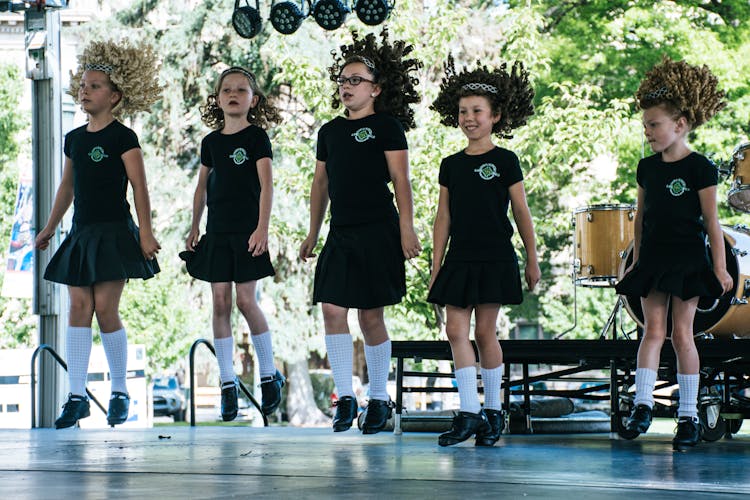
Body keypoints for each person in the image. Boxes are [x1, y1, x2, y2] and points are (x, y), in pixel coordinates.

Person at [299, 29, 422, 434]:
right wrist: (313, 233)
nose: (347, 87)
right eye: (343, 80)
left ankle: (380, 400)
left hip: (379, 231)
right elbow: (320, 185)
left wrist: (408, 229)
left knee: (371, 316)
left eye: (356, 81)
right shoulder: (329, 132)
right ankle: (344, 397)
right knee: (332, 308)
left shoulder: (387, 127)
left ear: (375, 89)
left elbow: (401, 181)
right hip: (341, 232)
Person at [34, 39, 162, 429]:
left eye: (94, 86)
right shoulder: (74, 139)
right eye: (83, 86)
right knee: (77, 308)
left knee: (106, 309)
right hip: (82, 233)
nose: (85, 91)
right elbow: (67, 188)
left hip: (114, 234)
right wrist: (50, 227)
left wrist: (145, 233)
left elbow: (139, 187)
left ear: (115, 96)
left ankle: (120, 390)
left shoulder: (124, 138)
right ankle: (76, 396)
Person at [616, 56, 732, 451]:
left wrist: (719, 266)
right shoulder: (647, 168)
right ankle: (643, 405)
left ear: (679, 125)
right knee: (653, 330)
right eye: (645, 125)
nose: (647, 132)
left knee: (683, 334)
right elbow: (640, 219)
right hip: (654, 259)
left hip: (687, 260)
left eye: (654, 125)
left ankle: (688, 417)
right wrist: (635, 262)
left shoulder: (701, 167)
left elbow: (712, 223)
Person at [428, 56, 540, 447]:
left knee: (485, 331)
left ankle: (494, 411)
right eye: (463, 111)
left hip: (495, 256)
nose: (469, 118)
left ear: (495, 117)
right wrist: (436, 262)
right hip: (459, 258)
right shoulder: (451, 164)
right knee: (454, 329)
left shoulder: (505, 160)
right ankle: (470, 412)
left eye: (477, 111)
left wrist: (532, 257)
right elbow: (443, 217)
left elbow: (522, 212)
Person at [180, 66, 285, 422]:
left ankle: (269, 375)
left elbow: (267, 186)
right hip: (217, 232)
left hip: (247, 232)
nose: (234, 94)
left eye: (242, 89)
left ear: (253, 100)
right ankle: (228, 382)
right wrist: (194, 226)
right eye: (227, 89)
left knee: (245, 299)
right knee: (220, 301)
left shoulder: (257, 138)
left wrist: (262, 228)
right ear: (218, 98)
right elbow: (201, 189)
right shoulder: (211, 142)